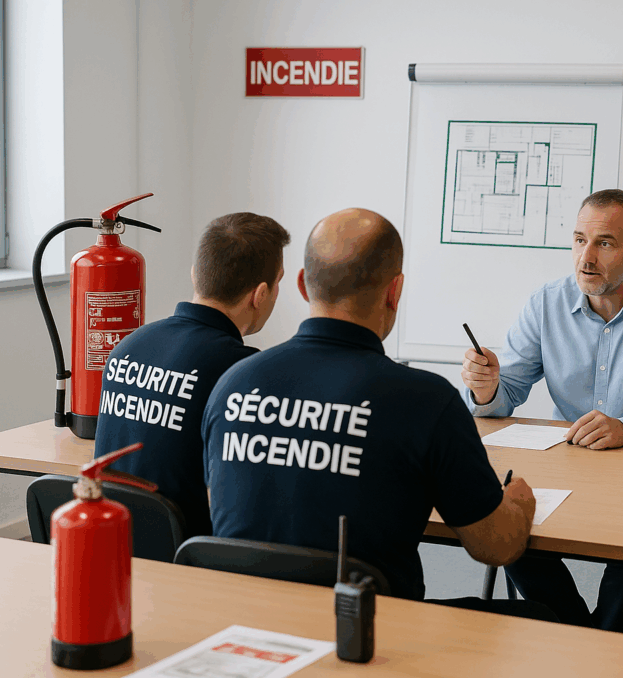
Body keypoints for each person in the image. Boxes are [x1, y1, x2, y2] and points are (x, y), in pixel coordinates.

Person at [202, 208, 555, 621]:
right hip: (368, 637)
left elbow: (220, 508)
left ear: (301, 284)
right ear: (395, 291)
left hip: (245, 628)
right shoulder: (425, 400)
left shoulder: (234, 382)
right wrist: (518, 505)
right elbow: (495, 547)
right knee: (550, 618)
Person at [460, 189, 623, 629]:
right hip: (572, 474)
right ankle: (587, 636)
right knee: (511, 525)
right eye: (579, 240)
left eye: (605, 243)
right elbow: (507, 393)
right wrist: (485, 388)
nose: (586, 258)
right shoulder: (546, 302)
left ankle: (598, 637)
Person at [94, 212, 290, 537]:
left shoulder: (128, 346)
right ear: (261, 294)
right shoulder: (242, 373)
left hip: (113, 544)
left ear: (195, 274)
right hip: (188, 562)